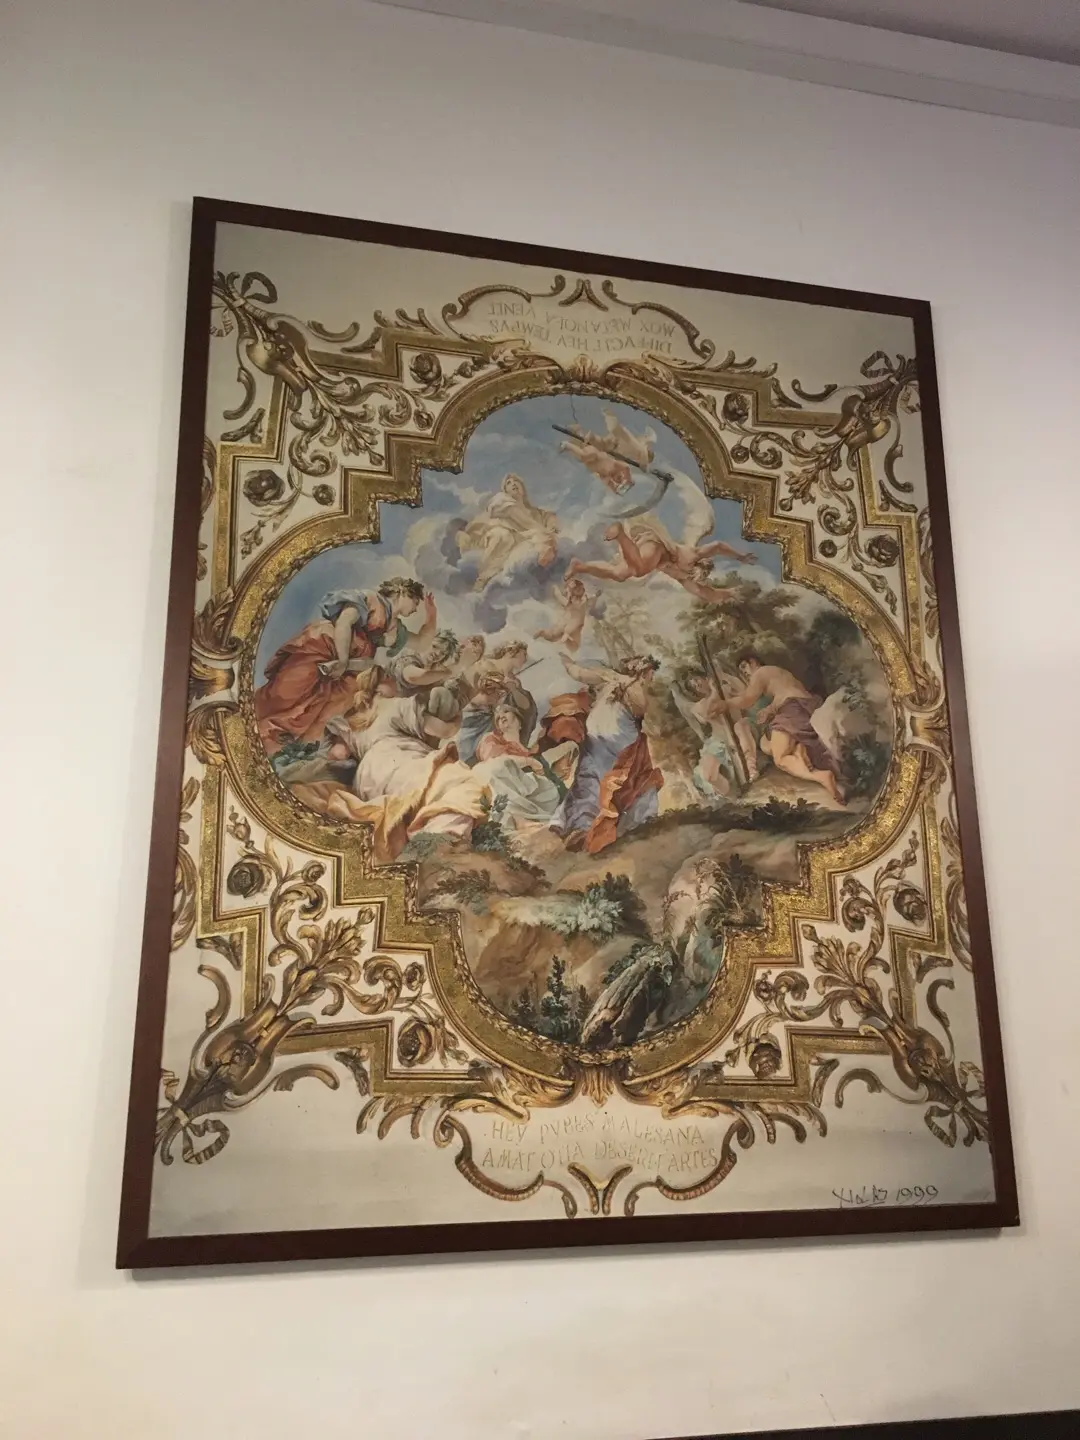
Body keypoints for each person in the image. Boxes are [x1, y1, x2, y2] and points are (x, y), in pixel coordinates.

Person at [255, 576, 434, 752]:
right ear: (403, 592)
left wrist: (431, 615)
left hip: (351, 666)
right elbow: (344, 621)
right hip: (324, 646)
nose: (415, 609)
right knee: (287, 693)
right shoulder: (371, 600)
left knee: (328, 705)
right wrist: (342, 661)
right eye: (416, 602)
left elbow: (422, 643)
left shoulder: (396, 628)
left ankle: (295, 744)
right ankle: (259, 723)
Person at [548, 653, 663, 853]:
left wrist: (619, 680)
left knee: (602, 782)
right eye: (649, 672)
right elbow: (580, 673)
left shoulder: (623, 683)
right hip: (604, 740)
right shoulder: (613, 680)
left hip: (614, 740)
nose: (649, 677)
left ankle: (591, 827)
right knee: (593, 780)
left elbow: (640, 707)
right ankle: (581, 828)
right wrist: (567, 662)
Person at [727, 652, 845, 804]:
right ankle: (799, 749)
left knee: (780, 759)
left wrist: (724, 704)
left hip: (792, 709)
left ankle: (820, 776)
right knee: (767, 745)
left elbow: (746, 700)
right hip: (804, 707)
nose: (744, 672)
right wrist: (769, 710)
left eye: (744, 666)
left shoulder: (761, 672)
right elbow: (785, 694)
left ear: (753, 661)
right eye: (741, 670)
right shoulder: (777, 673)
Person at [566, 517, 755, 603]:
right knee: (639, 570)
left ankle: (580, 566)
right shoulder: (692, 556)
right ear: (699, 565)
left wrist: (729, 592)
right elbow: (718, 546)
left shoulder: (684, 578)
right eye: (695, 573)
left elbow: (707, 594)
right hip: (654, 543)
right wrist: (740, 556)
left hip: (643, 555)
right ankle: (620, 534)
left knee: (619, 574)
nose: (691, 576)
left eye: (695, 578)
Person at [456, 473, 559, 588]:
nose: (513, 484)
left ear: (523, 488)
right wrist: (544, 531)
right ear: (505, 491)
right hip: (494, 536)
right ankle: (483, 577)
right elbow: (528, 523)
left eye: (516, 481)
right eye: (508, 483)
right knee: (504, 536)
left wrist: (551, 524)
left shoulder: (533, 512)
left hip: (520, 539)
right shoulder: (503, 502)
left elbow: (549, 517)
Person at [472, 701, 565, 827]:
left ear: (519, 721)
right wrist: (529, 762)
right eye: (498, 718)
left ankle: (529, 818)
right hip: (505, 792)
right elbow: (495, 763)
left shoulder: (533, 754)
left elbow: (554, 783)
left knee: (550, 788)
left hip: (536, 798)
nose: (501, 717)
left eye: (506, 712)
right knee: (495, 768)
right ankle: (518, 819)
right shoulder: (491, 740)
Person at [457, 640, 537, 764]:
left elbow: (526, 707)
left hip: (495, 723)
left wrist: (513, 689)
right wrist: (489, 695)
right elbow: (465, 691)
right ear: (511, 652)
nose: (525, 659)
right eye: (524, 654)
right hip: (475, 718)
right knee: (466, 756)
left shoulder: (513, 680)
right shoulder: (485, 665)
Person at [686, 673, 760, 796]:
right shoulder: (697, 706)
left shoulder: (725, 689)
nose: (697, 685)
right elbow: (707, 712)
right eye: (694, 686)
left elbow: (745, 692)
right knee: (709, 775)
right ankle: (730, 796)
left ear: (705, 678)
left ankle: (751, 768)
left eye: (697, 680)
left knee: (739, 726)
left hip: (741, 729)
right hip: (719, 740)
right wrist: (714, 691)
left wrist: (722, 676)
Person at [534, 576, 596, 652]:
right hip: (567, 628)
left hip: (569, 631)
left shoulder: (579, 604)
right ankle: (539, 638)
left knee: (561, 638)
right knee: (555, 635)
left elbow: (563, 599)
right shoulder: (575, 604)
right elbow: (562, 598)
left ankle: (543, 638)